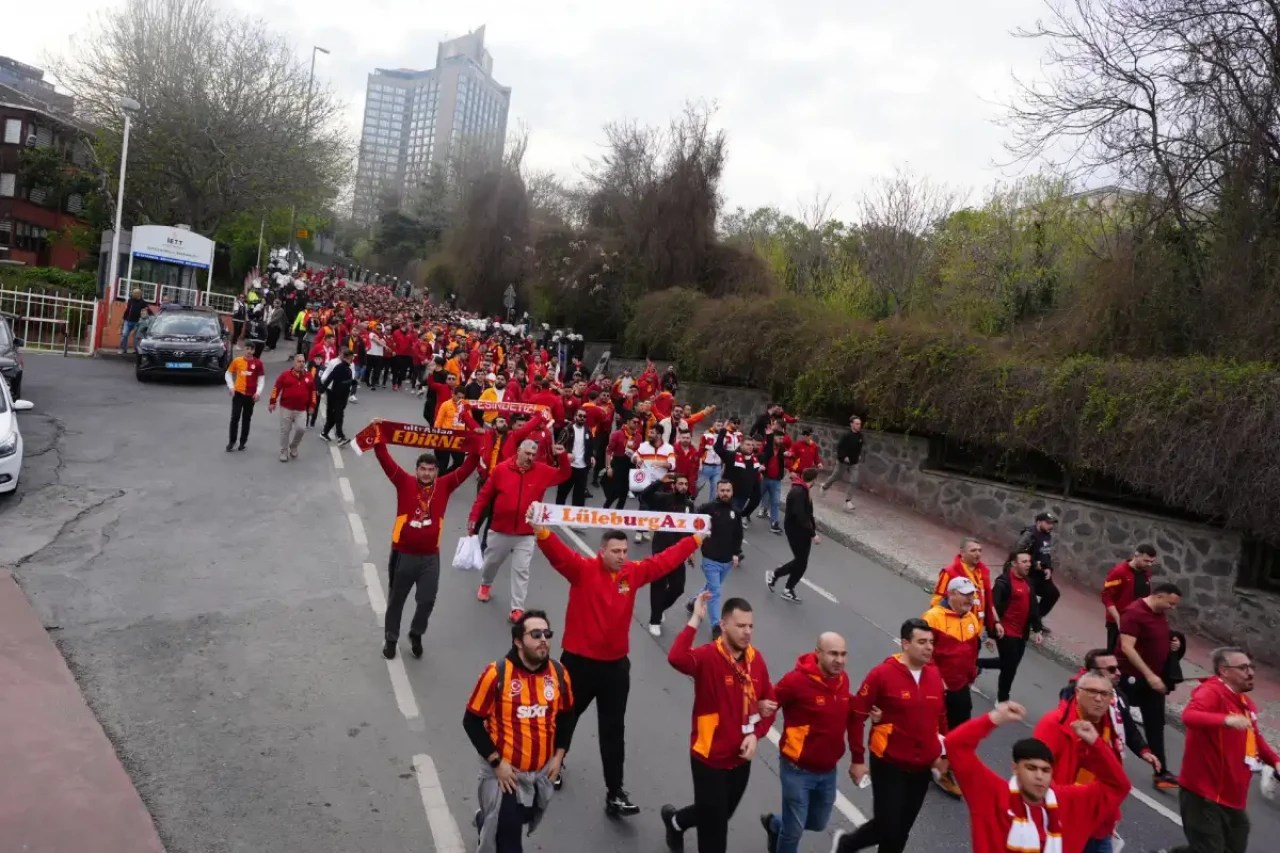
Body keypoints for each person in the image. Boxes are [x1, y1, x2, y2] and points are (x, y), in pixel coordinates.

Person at [532, 522, 701, 815]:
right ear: (602, 552)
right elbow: (558, 554)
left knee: (613, 729)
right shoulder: (582, 570)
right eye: (616, 551)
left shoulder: (632, 574)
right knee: (565, 717)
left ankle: (615, 792)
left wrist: (696, 538)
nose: (623, 555)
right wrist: (541, 531)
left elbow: (664, 561)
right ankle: (554, 766)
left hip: (615, 668)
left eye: (625, 550)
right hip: (578, 663)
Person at [662, 593, 775, 853]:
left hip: (739, 760)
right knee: (714, 834)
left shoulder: (756, 661)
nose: (747, 632)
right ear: (723, 625)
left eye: (750, 626)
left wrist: (755, 735)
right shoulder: (708, 656)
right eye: (740, 626)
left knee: (719, 814)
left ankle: (675, 821)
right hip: (708, 758)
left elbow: (770, 703)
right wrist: (695, 620)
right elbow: (676, 658)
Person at [946, 702, 1131, 853]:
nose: (1039, 776)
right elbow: (955, 745)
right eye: (1031, 768)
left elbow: (1118, 786)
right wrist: (994, 718)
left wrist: (1095, 744)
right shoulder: (991, 794)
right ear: (1015, 769)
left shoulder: (1071, 802)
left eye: (1045, 770)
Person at [464, 610, 576, 853]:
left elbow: (567, 716)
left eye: (547, 633)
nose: (543, 639)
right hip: (504, 775)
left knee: (524, 816)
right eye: (536, 634)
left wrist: (559, 756)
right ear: (518, 641)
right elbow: (471, 721)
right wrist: (497, 763)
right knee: (510, 842)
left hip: (539, 773)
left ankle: (485, 821)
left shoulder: (559, 674)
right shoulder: (496, 674)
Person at [832, 618, 948, 853]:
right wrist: (857, 759)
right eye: (922, 642)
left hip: (922, 765)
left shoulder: (935, 675)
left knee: (902, 830)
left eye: (931, 642)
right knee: (888, 825)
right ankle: (847, 845)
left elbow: (941, 717)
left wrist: (944, 754)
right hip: (888, 761)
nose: (929, 648)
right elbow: (857, 715)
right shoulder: (882, 675)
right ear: (905, 644)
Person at [371, 416, 478, 659]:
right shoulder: (403, 481)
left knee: (427, 600)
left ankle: (416, 633)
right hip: (403, 554)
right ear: (416, 469)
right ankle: (390, 639)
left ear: (437, 471)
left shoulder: (446, 484)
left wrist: (477, 439)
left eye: (431, 470)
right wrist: (378, 434)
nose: (427, 473)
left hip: (431, 557)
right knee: (396, 600)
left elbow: (470, 464)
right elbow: (384, 458)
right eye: (423, 469)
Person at [1172, 647, 1279, 853]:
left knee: (1233, 846)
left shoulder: (1244, 702)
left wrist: (1274, 760)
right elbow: (1189, 716)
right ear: (1224, 671)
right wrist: (1225, 720)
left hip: (1232, 796)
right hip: (1203, 793)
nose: (1251, 672)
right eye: (1243, 667)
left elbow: (1254, 737)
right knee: (1210, 849)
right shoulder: (1211, 692)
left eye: (1251, 667)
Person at [760, 633, 854, 853]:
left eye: (843, 654)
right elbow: (770, 703)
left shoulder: (842, 679)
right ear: (818, 653)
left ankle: (775, 824)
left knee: (818, 823)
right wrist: (752, 732)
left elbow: (845, 702)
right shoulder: (796, 681)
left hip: (828, 770)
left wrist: (867, 708)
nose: (839, 660)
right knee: (794, 832)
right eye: (833, 654)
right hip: (797, 769)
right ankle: (782, 832)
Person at [469, 438, 570, 623]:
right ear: (518, 452)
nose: (530, 458)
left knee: (521, 570)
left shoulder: (542, 471)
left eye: (533, 454)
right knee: (492, 562)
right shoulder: (501, 469)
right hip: (500, 530)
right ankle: (486, 584)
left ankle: (517, 608)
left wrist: (561, 455)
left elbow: (564, 474)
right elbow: (484, 495)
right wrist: (474, 518)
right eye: (527, 454)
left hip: (526, 532)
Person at [1033, 669, 1134, 853]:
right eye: (1092, 692)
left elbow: (1117, 780)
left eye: (1104, 694)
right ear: (1078, 693)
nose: (1098, 699)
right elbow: (1035, 777)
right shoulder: (1054, 723)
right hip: (1063, 820)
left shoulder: (1111, 726)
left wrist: (1112, 812)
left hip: (1098, 825)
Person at [1115, 581, 1183, 790]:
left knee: (1155, 724)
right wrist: (1149, 675)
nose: (1172, 608)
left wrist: (1174, 644)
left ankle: (1161, 773)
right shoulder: (1134, 613)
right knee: (1117, 718)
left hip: (1153, 680)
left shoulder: (1158, 613)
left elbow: (1155, 636)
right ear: (1159, 596)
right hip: (1131, 677)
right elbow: (1127, 647)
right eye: (1170, 603)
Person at [923, 576, 983, 796]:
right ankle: (936, 768)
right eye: (966, 594)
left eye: (972, 595)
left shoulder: (971, 619)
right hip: (938, 686)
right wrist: (935, 679)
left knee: (959, 730)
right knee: (938, 730)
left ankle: (945, 766)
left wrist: (971, 674)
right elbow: (925, 652)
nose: (970, 599)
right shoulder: (933, 618)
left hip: (960, 686)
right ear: (951, 594)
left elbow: (972, 652)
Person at [979, 551, 1044, 702]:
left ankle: (978, 664)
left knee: (1010, 664)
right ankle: (1002, 699)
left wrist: (1038, 629)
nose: (1028, 564)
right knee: (1009, 666)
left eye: (1029, 561)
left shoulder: (1028, 583)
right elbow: (992, 605)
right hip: (1006, 630)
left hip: (1022, 633)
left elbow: (1033, 607)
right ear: (1014, 563)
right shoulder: (1003, 582)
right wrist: (995, 624)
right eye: (1024, 562)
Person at [642, 473, 699, 635]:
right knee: (658, 586)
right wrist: (659, 482)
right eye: (680, 484)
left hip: (679, 553)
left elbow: (690, 530)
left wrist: (691, 551)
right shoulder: (663, 499)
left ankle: (659, 610)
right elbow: (645, 496)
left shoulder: (689, 505)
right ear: (674, 485)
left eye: (685, 484)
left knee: (678, 588)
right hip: (661, 551)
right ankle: (654, 620)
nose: (683, 487)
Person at [687, 480, 743, 639]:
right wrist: (692, 550)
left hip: (727, 561)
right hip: (710, 559)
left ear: (732, 492)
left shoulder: (736, 511)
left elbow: (738, 535)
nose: (725, 493)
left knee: (711, 587)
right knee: (715, 592)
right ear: (717, 491)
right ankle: (716, 627)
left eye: (728, 490)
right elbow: (693, 526)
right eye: (722, 490)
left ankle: (693, 602)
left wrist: (736, 553)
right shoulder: (708, 509)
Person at [931, 536, 1002, 642]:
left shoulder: (983, 573)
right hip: (954, 630)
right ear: (962, 552)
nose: (978, 554)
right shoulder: (950, 572)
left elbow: (989, 602)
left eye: (980, 550)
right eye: (973, 550)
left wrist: (996, 622)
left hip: (976, 631)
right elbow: (937, 601)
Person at [766, 468, 819, 603]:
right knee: (801, 562)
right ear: (814, 480)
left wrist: (813, 529)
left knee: (801, 562)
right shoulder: (799, 492)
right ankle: (778, 578)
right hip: (796, 531)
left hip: (801, 530)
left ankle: (785, 586)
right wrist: (813, 534)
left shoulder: (802, 490)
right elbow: (800, 516)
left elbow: (808, 514)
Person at [1101, 544, 1156, 652]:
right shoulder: (1119, 572)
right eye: (1146, 561)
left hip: (1137, 620)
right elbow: (1106, 597)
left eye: (1151, 561)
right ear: (1136, 556)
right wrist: (1118, 619)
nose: (1149, 564)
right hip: (1119, 620)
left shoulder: (1146, 573)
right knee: (1113, 653)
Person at [1014, 511, 1061, 628]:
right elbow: (1018, 553)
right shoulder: (1029, 535)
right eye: (1048, 523)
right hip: (1027, 573)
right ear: (1039, 523)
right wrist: (1034, 564)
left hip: (1040, 574)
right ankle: (1030, 621)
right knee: (1031, 597)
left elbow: (1046, 554)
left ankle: (1036, 619)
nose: (1051, 526)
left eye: (1052, 523)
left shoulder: (1047, 535)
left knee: (1053, 593)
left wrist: (1049, 568)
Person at [268, 353, 315, 463]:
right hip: (286, 408)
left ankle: (293, 446)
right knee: (285, 431)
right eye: (299, 361)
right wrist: (272, 401)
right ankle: (284, 451)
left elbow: (313, 392)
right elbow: (276, 388)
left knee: (301, 429)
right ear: (294, 363)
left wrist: (312, 405)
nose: (301, 364)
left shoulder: (309, 376)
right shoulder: (285, 375)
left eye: (303, 361)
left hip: (301, 409)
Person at [224, 340, 265, 452]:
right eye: (247, 349)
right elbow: (228, 373)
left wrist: (258, 392)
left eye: (251, 349)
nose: (249, 351)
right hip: (238, 394)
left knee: (246, 419)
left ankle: (243, 442)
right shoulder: (237, 361)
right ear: (244, 349)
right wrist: (231, 387)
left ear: (254, 351)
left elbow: (261, 379)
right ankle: (232, 442)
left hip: (250, 396)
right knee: (235, 417)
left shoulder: (258, 363)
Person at [821, 415, 863, 510]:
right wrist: (844, 457)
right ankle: (824, 487)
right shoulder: (846, 436)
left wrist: (858, 455)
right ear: (851, 424)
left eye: (860, 424)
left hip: (854, 462)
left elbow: (859, 448)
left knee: (854, 480)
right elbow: (839, 448)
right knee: (836, 476)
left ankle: (848, 501)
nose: (859, 425)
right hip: (842, 461)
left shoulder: (860, 436)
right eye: (857, 424)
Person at [554, 406, 593, 507]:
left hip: (583, 468)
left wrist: (592, 456)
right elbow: (557, 446)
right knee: (562, 493)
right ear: (575, 417)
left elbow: (590, 446)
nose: (582, 418)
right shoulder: (568, 429)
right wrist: (566, 454)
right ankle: (559, 516)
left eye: (584, 416)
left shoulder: (588, 430)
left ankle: (576, 519)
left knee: (579, 496)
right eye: (580, 416)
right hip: (569, 467)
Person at [318, 348, 357, 445]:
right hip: (336, 394)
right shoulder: (339, 367)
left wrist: (353, 383)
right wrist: (321, 390)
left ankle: (324, 432)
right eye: (352, 357)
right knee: (339, 415)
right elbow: (330, 377)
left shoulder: (348, 367)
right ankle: (340, 437)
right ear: (348, 357)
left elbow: (346, 380)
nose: (353, 359)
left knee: (335, 416)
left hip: (344, 395)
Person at [120, 288, 152, 354]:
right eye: (133, 293)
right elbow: (127, 310)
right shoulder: (130, 300)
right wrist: (123, 318)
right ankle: (123, 349)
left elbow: (148, 311)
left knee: (136, 337)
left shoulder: (143, 303)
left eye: (134, 293)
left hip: (137, 322)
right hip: (128, 320)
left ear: (139, 294)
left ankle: (136, 350)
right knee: (124, 334)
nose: (132, 294)